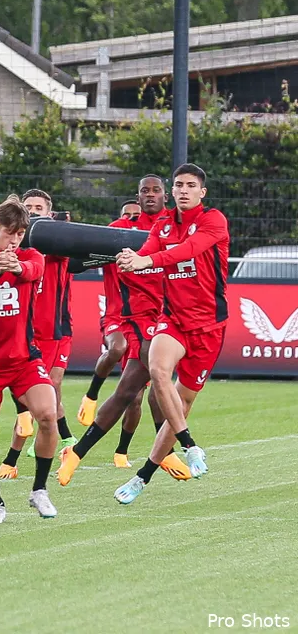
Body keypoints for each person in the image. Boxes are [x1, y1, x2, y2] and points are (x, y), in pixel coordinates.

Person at [109, 163, 228, 505]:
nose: (184, 190)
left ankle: (142, 476)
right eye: (178, 185)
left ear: (201, 192)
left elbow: (186, 252)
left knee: (182, 401)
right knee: (157, 370)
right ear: (172, 191)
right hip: (173, 319)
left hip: (208, 327)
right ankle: (189, 445)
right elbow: (147, 251)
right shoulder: (162, 224)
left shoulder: (213, 220)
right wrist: (133, 258)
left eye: (191, 185)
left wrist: (148, 262)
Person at [58, 176, 188, 486]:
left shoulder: (175, 229)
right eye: (145, 190)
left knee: (129, 390)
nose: (151, 195)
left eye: (156, 190)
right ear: (138, 196)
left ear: (165, 195)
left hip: (168, 318)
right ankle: (175, 446)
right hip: (135, 319)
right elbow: (79, 262)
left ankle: (76, 452)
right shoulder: (120, 231)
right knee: (156, 377)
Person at [0, 196, 60, 523]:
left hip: (24, 360)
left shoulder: (31, 257)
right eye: (9, 233)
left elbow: (33, 269)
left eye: (20, 234)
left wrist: (15, 266)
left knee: (48, 414)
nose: (15, 240)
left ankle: (39, 490)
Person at [0, 190, 75, 478]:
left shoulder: (56, 244)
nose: (33, 212)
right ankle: (64, 441)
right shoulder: (16, 246)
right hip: (22, 328)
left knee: (45, 390)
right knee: (27, 391)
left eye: (38, 208)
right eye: (28, 208)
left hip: (53, 331)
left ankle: (14, 458)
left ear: (49, 213)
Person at [76, 197, 149, 468]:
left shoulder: (148, 251)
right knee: (115, 348)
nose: (131, 219)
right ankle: (92, 395)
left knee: (135, 396)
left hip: (144, 323)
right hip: (116, 317)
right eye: (126, 215)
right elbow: (79, 261)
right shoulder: (111, 245)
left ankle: (121, 451)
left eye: (136, 215)